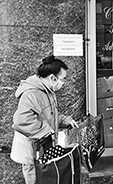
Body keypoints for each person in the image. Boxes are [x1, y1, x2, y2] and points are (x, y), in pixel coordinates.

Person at [10, 55, 78, 184]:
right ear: (53, 78)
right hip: (32, 150)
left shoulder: (47, 90)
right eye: (63, 78)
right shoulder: (32, 93)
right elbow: (21, 121)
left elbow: (49, 114)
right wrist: (47, 130)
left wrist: (65, 120)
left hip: (41, 147)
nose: (63, 82)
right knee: (36, 180)